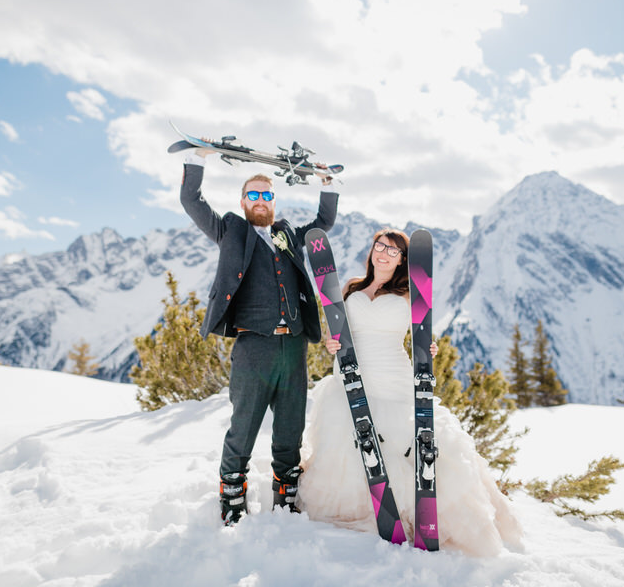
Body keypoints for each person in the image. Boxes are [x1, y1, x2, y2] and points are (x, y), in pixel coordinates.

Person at [297, 229, 523, 556]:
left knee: (404, 441)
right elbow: (340, 331)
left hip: (394, 375)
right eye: (380, 246)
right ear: (372, 249)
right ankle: (366, 511)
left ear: (403, 259)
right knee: (347, 445)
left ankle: (419, 515)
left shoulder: (408, 292)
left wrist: (426, 346)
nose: (384, 253)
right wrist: (333, 344)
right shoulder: (351, 287)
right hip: (352, 377)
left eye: (393, 250)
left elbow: (421, 329)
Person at [180, 149, 338, 525]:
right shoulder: (229, 231)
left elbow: (323, 223)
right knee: (244, 425)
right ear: (243, 201)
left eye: (267, 195)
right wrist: (199, 159)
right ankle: (232, 497)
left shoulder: (288, 235)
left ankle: (286, 499)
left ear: (274, 200)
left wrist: (327, 185)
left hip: (293, 347)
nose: (261, 201)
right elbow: (191, 200)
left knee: (290, 428)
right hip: (254, 347)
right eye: (254, 194)